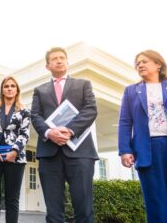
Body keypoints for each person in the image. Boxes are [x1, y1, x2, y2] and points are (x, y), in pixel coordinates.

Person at [31, 47, 98, 223]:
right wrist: (49, 132)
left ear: (67, 62)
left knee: (84, 208)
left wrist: (69, 130)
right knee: (53, 211)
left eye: (62, 58)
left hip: (80, 153)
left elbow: (90, 110)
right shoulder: (40, 90)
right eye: (54, 59)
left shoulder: (83, 84)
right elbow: (35, 115)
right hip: (49, 153)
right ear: (47, 65)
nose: (59, 61)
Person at [118, 50, 167, 223]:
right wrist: (125, 150)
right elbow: (125, 122)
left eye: (144, 61)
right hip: (147, 150)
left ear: (158, 64)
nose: (140, 65)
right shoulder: (131, 91)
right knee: (155, 200)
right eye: (137, 63)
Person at [0, 76, 30, 223]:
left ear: (17, 90)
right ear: (2, 89)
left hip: (15, 158)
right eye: (6, 86)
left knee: (12, 200)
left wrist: (14, 152)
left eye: (12, 86)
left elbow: (25, 133)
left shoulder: (24, 111)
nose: (9, 88)